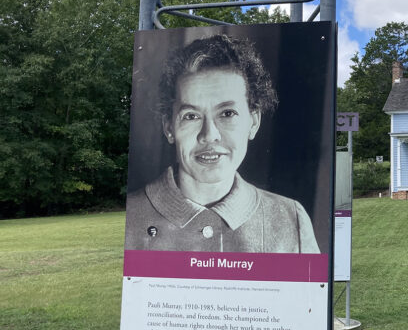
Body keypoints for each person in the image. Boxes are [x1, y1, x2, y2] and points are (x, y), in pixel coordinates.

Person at [124, 34, 319, 253]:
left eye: (227, 113)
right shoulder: (130, 216)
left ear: (253, 122)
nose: (209, 135)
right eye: (191, 116)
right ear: (169, 127)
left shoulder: (291, 218)